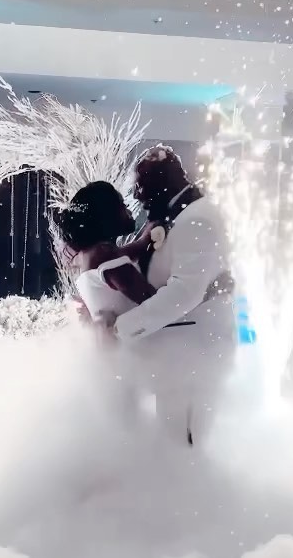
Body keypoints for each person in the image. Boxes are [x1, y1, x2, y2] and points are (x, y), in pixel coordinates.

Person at [112, 145, 235, 446]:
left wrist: (123, 327)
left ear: (162, 181)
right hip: (182, 355)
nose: (137, 195)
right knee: (175, 441)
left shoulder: (195, 219)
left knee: (183, 446)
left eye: (141, 186)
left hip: (194, 355)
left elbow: (185, 292)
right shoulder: (183, 214)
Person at [54, 181, 160, 325]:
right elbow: (154, 302)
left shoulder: (86, 255)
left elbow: (126, 252)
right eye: (123, 205)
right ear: (108, 214)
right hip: (139, 337)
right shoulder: (105, 254)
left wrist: (145, 238)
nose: (129, 211)